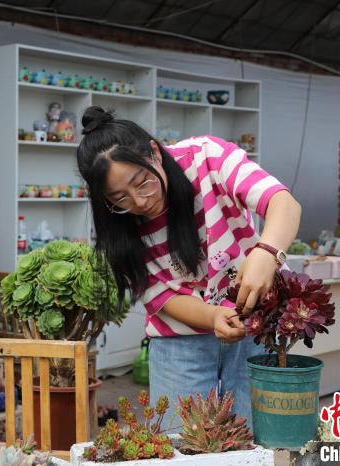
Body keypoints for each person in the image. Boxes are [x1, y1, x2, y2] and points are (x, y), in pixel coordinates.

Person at [76, 106, 301, 430]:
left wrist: (267, 253)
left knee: (256, 436)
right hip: (178, 343)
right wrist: (212, 317)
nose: (138, 202)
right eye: (119, 197)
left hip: (255, 323)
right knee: (184, 444)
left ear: (154, 152)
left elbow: (284, 203)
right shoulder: (119, 224)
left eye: (142, 183)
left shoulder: (207, 158)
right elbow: (159, 296)